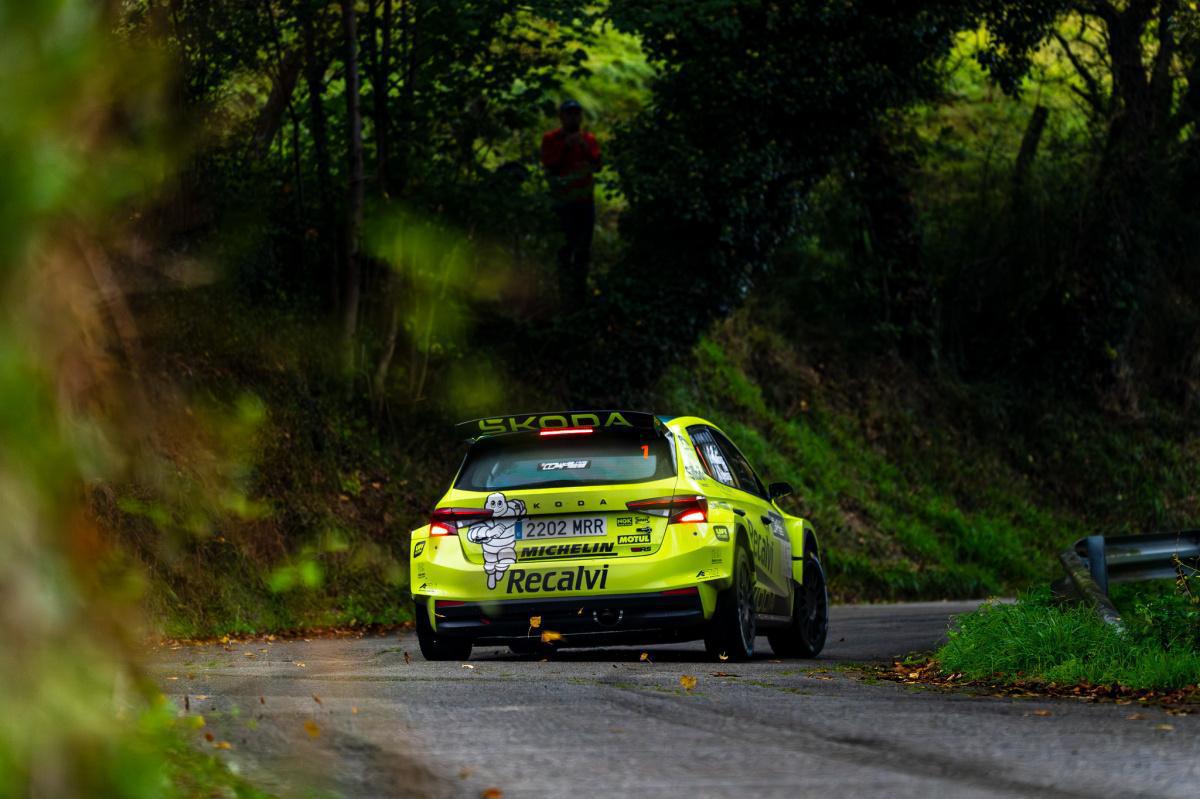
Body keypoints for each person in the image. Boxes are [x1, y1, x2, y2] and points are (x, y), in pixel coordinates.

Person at [541, 99, 601, 305]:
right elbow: (550, 166)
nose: (573, 117)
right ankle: (564, 294)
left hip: (585, 201)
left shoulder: (589, 139)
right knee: (564, 249)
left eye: (576, 113)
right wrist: (565, 148)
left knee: (583, 248)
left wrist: (584, 148)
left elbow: (598, 165)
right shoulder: (550, 139)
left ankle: (580, 294)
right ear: (561, 117)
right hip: (562, 202)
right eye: (569, 114)